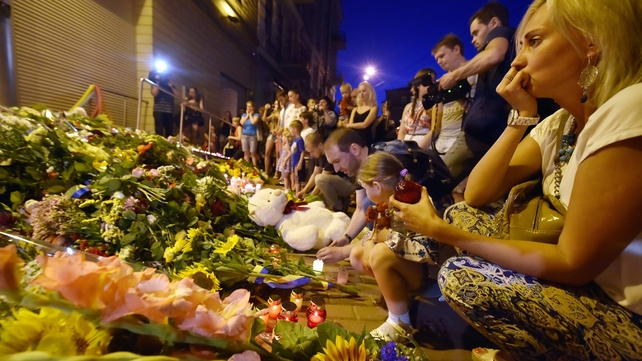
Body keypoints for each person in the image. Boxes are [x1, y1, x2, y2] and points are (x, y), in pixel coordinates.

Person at [391, 0, 642, 359]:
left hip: (626, 314)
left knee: (462, 277)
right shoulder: (562, 123)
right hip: (589, 284)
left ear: (591, 43)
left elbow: (574, 263)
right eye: (520, 44)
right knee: (461, 214)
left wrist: (439, 232)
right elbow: (477, 193)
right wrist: (521, 115)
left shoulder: (629, 107)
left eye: (534, 41)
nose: (516, 61)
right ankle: (400, 267)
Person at [349, 153, 439, 342]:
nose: (366, 194)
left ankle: (400, 322)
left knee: (380, 254)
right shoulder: (388, 202)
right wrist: (371, 241)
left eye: (365, 188)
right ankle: (398, 296)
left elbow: (428, 251)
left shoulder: (415, 203)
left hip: (428, 276)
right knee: (357, 254)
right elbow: (375, 233)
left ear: (377, 185)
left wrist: (384, 238)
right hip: (409, 268)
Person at [438, 2, 515, 186]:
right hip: (481, 137)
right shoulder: (488, 61)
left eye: (475, 32)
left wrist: (455, 75)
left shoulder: (500, 34)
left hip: (485, 138)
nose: (472, 39)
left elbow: (494, 54)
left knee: (437, 179)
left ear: (494, 23)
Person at [316, 128, 371, 263]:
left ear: (355, 150)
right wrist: (346, 237)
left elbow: (388, 232)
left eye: (337, 161)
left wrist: (343, 252)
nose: (336, 169)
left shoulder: (382, 167)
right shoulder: (359, 168)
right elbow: (359, 208)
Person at [432, 34, 477, 156]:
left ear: (456, 50)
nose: (439, 61)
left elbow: (476, 111)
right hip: (441, 143)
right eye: (436, 59)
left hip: (463, 140)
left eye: (442, 56)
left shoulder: (476, 73)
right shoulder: (443, 82)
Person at [295, 132, 346, 201]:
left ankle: (337, 207)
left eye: (312, 151)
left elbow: (321, 178)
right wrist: (304, 190)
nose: (311, 154)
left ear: (320, 145)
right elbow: (315, 173)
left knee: (321, 179)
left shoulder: (329, 154)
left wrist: (310, 197)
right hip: (335, 184)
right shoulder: (318, 155)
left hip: (345, 183)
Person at [397, 69, 436, 149]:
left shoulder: (434, 104)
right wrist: (401, 148)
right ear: (418, 84)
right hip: (406, 144)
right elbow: (402, 131)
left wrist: (418, 150)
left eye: (434, 81)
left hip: (425, 145)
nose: (432, 84)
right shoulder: (408, 107)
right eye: (428, 81)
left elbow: (434, 130)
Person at [341, 81, 378, 147]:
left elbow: (364, 125)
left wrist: (347, 125)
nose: (361, 94)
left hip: (365, 141)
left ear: (370, 92)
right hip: (354, 141)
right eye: (359, 92)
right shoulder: (355, 109)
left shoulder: (373, 108)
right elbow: (351, 126)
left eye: (364, 91)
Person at [150, 72, 179, 137]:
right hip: (159, 111)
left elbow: (177, 96)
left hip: (169, 111)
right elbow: (154, 93)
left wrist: (171, 86)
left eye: (169, 76)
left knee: (169, 132)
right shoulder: (156, 84)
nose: (167, 77)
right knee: (159, 131)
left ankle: (168, 145)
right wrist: (158, 82)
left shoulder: (171, 86)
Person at [263, 100, 281, 176]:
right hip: (271, 133)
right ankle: (266, 171)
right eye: (275, 104)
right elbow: (264, 119)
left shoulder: (281, 112)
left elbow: (281, 123)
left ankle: (277, 172)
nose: (275, 105)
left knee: (278, 154)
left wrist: (277, 130)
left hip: (278, 133)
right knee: (267, 152)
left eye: (277, 104)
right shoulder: (273, 113)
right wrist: (266, 110)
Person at [240, 101, 260, 166]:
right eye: (247, 106)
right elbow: (242, 123)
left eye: (250, 106)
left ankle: (254, 168)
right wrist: (247, 116)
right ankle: (247, 167)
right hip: (244, 135)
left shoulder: (256, 115)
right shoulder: (244, 115)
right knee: (246, 153)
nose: (249, 108)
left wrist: (250, 115)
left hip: (253, 136)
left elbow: (253, 122)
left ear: (253, 107)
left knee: (253, 153)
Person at [289, 120, 305, 195]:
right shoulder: (294, 139)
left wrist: (300, 163)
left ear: (295, 129)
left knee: (298, 179)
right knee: (296, 179)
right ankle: (297, 193)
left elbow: (302, 151)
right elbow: (289, 149)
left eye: (291, 129)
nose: (290, 131)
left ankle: (298, 194)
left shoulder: (300, 140)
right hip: (294, 162)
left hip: (298, 162)